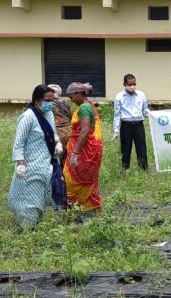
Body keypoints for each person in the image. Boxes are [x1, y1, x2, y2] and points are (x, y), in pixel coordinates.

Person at [8, 85, 66, 230]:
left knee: (49, 194)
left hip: (47, 163)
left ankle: (42, 224)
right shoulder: (27, 117)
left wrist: (58, 143)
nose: (50, 103)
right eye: (47, 100)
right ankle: (28, 228)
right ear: (37, 100)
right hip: (30, 165)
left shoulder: (49, 114)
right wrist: (20, 163)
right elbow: (19, 142)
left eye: (52, 100)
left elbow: (53, 133)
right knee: (30, 199)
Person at [64, 82, 103, 215]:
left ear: (78, 94)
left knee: (72, 180)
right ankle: (91, 211)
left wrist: (75, 153)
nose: (71, 100)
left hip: (85, 151)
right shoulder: (88, 105)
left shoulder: (84, 108)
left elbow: (85, 131)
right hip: (88, 149)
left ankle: (76, 210)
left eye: (72, 97)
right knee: (86, 181)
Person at [113, 74, 149, 170]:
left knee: (141, 149)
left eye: (134, 84)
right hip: (126, 126)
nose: (132, 86)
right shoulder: (119, 97)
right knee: (126, 149)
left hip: (139, 125)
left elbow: (145, 111)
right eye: (130, 84)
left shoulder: (141, 95)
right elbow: (117, 115)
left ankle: (143, 170)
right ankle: (125, 170)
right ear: (124, 84)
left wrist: (152, 115)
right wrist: (116, 131)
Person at [48, 84, 72, 163]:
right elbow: (71, 117)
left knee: (53, 157)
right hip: (68, 133)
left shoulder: (48, 104)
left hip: (55, 134)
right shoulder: (66, 104)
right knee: (65, 159)